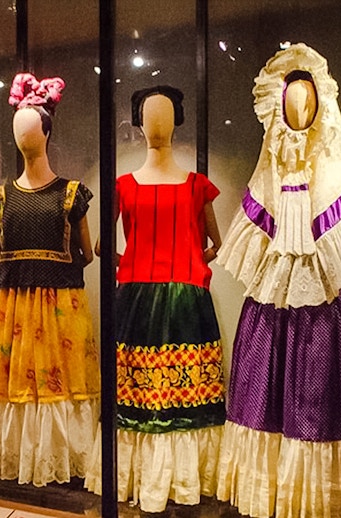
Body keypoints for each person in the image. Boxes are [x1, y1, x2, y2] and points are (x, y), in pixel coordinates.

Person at [215, 43, 341, 517]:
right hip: (270, 313)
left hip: (329, 320)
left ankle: (319, 500)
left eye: (307, 102)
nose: (298, 111)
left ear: (322, 107)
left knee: (324, 402)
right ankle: (275, 493)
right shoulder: (268, 180)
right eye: (290, 102)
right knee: (263, 393)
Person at [85, 85, 226, 513]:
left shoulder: (197, 186)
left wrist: (179, 263)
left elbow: (217, 244)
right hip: (144, 299)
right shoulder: (123, 186)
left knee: (181, 391)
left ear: (175, 122)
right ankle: (150, 477)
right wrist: (161, 262)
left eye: (162, 115)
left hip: (177, 300)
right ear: (139, 123)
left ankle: (180, 479)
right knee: (140, 392)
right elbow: (101, 247)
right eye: (150, 115)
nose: (157, 123)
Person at [0, 74, 99, 485]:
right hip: (15, 312)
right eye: (18, 125)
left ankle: (56, 461)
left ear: (47, 131)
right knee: (16, 385)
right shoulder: (0, 198)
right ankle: (21, 459)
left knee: (58, 385)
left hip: (56, 311)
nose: (22, 133)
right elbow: (84, 254)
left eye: (30, 124)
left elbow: (87, 252)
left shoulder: (71, 193)